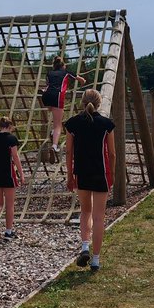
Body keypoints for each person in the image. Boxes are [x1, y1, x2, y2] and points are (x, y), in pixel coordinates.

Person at [64, 89, 116, 271]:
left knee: (85, 212)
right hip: (100, 172)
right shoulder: (106, 124)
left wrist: (70, 175)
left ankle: (85, 246)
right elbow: (112, 153)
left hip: (82, 172)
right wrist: (113, 174)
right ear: (99, 103)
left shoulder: (72, 124)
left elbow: (69, 152)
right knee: (99, 217)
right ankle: (95, 260)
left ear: (82, 102)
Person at [0, 116, 26, 241]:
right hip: (7, 172)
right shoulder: (11, 139)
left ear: (0, 126)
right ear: (10, 127)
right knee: (9, 204)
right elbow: (15, 156)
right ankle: (8, 232)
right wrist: (21, 173)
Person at [41, 56, 87, 152]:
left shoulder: (49, 73)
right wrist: (83, 82)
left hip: (46, 96)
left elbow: (48, 85)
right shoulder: (66, 72)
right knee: (58, 124)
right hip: (57, 96)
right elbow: (80, 79)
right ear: (63, 66)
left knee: (53, 112)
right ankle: (54, 146)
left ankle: (53, 132)